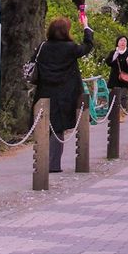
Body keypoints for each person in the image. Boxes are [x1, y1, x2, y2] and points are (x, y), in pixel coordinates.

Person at [34, 10, 93, 174]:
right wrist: (86, 27)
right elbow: (87, 46)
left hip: (44, 91)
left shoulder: (43, 46)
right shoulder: (70, 48)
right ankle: (53, 164)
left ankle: (41, 160)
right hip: (65, 93)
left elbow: (34, 62)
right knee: (58, 128)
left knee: (44, 125)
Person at [105, 35, 128, 109]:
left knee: (123, 96)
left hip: (125, 77)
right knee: (114, 95)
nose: (123, 42)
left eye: (125, 41)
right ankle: (113, 112)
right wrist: (115, 56)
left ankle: (122, 113)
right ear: (117, 42)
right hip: (115, 77)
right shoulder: (113, 52)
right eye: (121, 41)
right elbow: (108, 63)